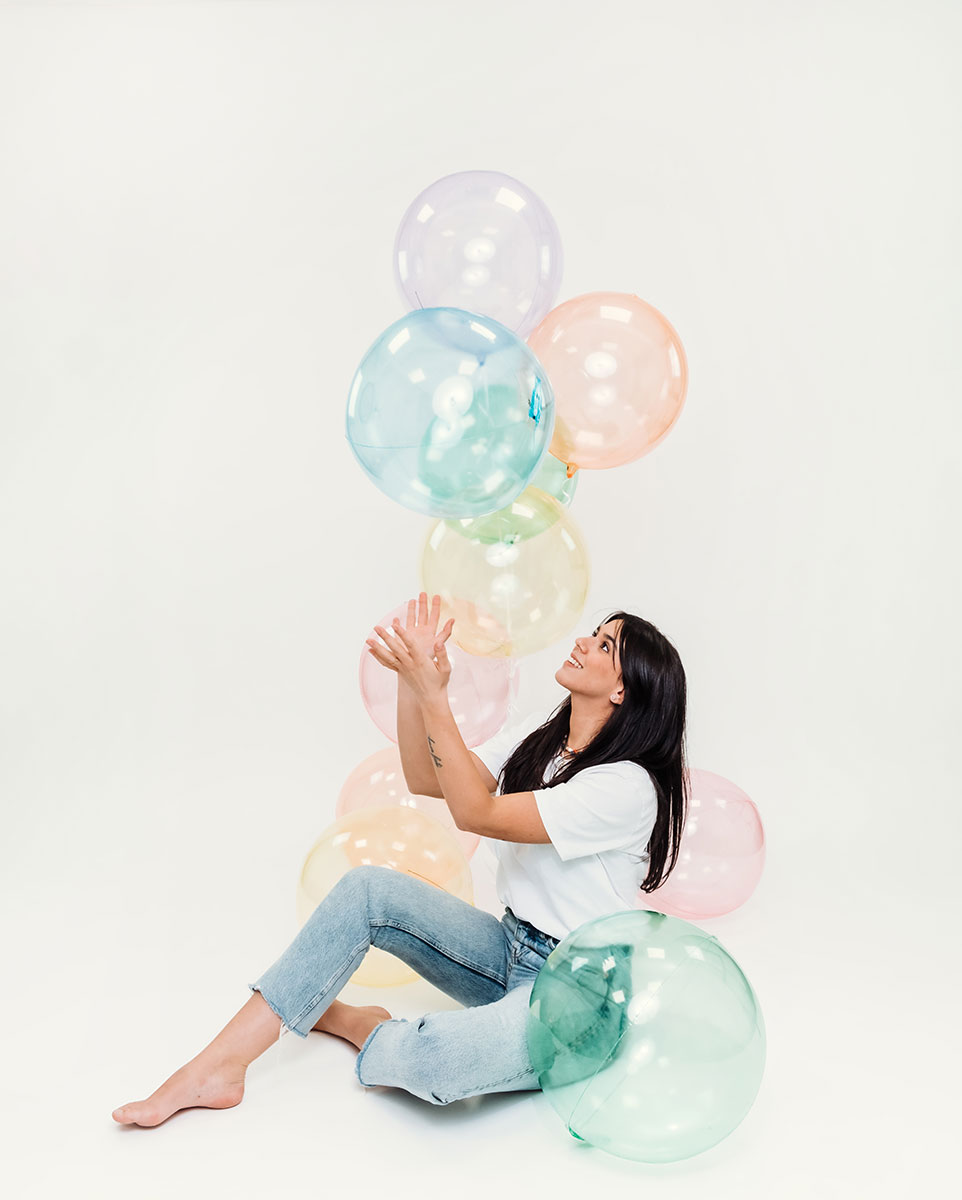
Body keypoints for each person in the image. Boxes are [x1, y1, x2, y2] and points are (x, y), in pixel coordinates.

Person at [112, 593, 688, 1126]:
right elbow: (425, 777)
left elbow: (476, 813)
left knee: (436, 1063)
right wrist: (415, 685)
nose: (584, 642)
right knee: (369, 890)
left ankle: (361, 1024)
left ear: (623, 690)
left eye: (604, 645)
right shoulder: (544, 742)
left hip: (579, 1000)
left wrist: (435, 695)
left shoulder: (626, 786)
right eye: (594, 633)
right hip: (511, 949)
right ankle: (219, 1066)